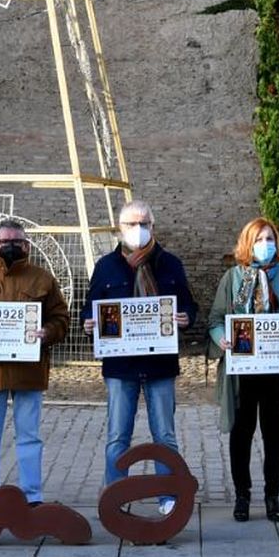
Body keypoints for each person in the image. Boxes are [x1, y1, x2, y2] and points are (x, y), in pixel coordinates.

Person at [80, 201, 199, 516]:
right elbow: (89, 306)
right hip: (121, 367)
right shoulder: (105, 266)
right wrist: (88, 323)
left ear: (153, 227)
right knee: (118, 435)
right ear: (120, 229)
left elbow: (189, 305)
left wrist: (187, 318)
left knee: (165, 435)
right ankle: (117, 497)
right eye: (131, 224)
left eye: (143, 223)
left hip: (160, 365)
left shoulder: (170, 264)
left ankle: (168, 496)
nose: (138, 230)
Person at [207, 218, 279, 523]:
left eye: (270, 238)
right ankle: (242, 495)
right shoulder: (233, 278)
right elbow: (216, 319)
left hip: (277, 370)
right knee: (241, 433)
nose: (265, 244)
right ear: (247, 243)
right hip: (242, 370)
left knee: (274, 432)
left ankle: (272, 495)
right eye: (258, 239)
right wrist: (221, 339)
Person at [0, 220, 70, 504]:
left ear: (27, 246)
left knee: (30, 437)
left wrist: (47, 332)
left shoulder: (43, 279)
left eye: (16, 242)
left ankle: (32, 496)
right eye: (4, 242)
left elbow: (61, 318)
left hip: (29, 371)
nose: (10, 246)